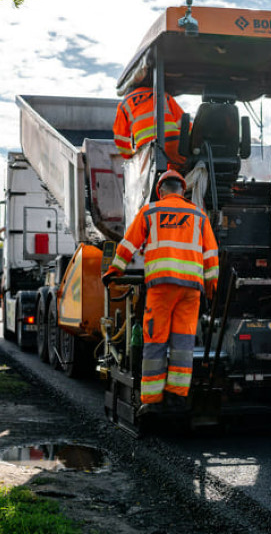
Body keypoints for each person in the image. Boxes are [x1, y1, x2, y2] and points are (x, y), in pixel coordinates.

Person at [102, 170, 218, 411]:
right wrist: (211, 287)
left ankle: (153, 401)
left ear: (161, 191)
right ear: (181, 190)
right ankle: (177, 395)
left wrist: (114, 270)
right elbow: (211, 254)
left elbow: (129, 243)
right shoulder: (199, 216)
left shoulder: (151, 212)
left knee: (155, 341)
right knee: (183, 342)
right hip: (191, 290)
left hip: (162, 287)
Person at [113, 86, 187, 171]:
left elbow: (120, 139)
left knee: (149, 180)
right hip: (172, 142)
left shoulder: (124, 104)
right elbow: (184, 123)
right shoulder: (164, 95)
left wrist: (130, 157)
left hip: (146, 150)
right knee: (180, 173)